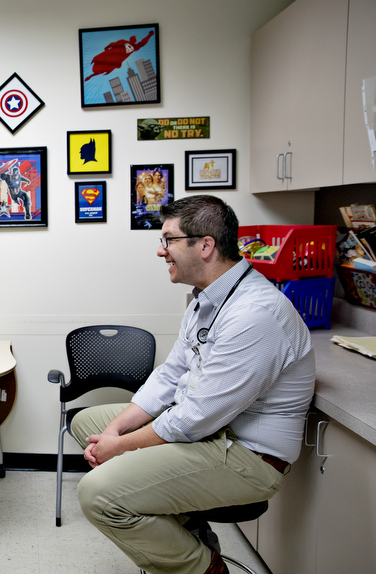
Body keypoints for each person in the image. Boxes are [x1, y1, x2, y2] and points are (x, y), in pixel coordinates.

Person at [70, 195, 315, 574]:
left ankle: (204, 567)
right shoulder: (206, 299)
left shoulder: (255, 314)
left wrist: (118, 447)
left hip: (248, 456)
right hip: (212, 432)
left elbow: (192, 419)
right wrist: (115, 431)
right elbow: (170, 374)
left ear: (205, 245)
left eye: (168, 240)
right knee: (89, 423)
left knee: (96, 495)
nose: (160, 251)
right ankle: (186, 522)